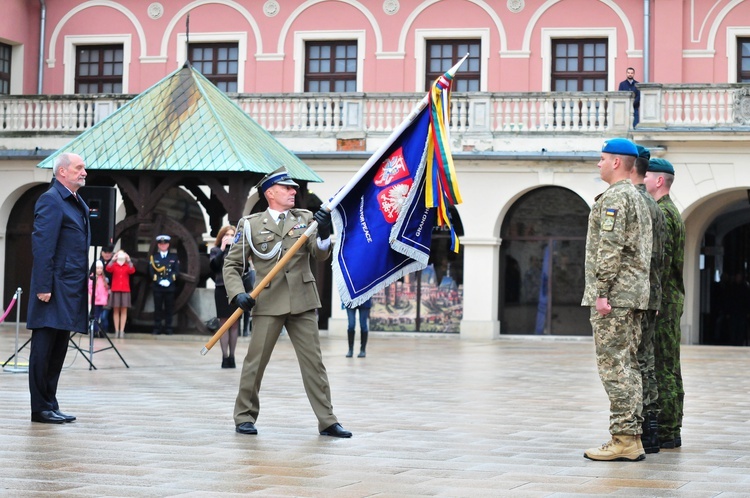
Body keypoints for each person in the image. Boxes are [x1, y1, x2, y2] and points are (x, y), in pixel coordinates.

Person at [223, 166, 351, 438]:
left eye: (294, 188)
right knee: (255, 363)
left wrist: (326, 234)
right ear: (270, 193)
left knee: (314, 364)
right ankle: (244, 416)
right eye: (287, 188)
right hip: (267, 300)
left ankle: (327, 420)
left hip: (302, 300)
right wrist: (237, 294)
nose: (294, 191)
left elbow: (318, 254)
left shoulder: (305, 219)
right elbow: (232, 265)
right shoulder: (250, 224)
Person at [581, 138, 652, 461]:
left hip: (617, 296)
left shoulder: (615, 199)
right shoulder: (638, 197)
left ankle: (623, 437)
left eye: (602, 159)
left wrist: (602, 292)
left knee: (614, 367)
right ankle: (631, 436)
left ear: (616, 163)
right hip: (633, 294)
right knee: (629, 366)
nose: (598, 164)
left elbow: (609, 249)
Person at [27, 152, 90, 424]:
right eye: (78, 168)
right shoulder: (51, 200)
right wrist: (43, 285)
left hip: (70, 288)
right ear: (62, 172)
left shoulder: (77, 202)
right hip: (52, 288)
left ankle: (50, 403)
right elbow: (43, 247)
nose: (84, 172)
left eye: (83, 168)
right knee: (43, 349)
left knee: (59, 348)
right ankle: (40, 407)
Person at [644, 157, 686, 449]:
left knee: (663, 366)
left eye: (646, 176)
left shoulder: (664, 212)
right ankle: (672, 427)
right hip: (670, 299)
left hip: (664, 301)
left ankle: (668, 429)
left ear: (660, 181)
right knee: (670, 364)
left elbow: (662, 261)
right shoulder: (671, 210)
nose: (642, 179)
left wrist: (654, 298)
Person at [631, 145, 667, 454]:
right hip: (650, 294)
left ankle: (639, 429)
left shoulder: (637, 203)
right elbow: (663, 258)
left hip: (635, 295)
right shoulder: (655, 206)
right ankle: (651, 428)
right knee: (646, 363)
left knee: (633, 363)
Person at [209, 225, 240, 368]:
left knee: (234, 324)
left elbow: (243, 267)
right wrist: (222, 248)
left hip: (235, 289)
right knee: (223, 324)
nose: (229, 237)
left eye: (232, 234)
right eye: (226, 234)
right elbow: (214, 266)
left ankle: (232, 356)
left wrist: (234, 247)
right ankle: (224, 357)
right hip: (221, 288)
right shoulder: (215, 250)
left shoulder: (238, 250)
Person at [149, 234, 180, 335]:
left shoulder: (173, 257)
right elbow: (151, 272)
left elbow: (176, 271)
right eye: (161, 244)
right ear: (158, 245)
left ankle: (168, 328)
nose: (163, 245)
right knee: (157, 309)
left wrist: (169, 281)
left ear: (168, 245)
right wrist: (159, 281)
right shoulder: (154, 257)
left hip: (169, 287)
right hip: (158, 287)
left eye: (165, 243)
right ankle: (157, 328)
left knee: (169, 308)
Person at [106, 249, 136, 338]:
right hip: (115, 289)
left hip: (125, 290)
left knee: (123, 311)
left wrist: (129, 259)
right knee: (116, 311)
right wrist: (113, 259)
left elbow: (132, 270)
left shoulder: (127, 266)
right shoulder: (114, 265)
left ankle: (122, 330)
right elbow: (108, 268)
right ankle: (116, 330)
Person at [90, 245, 114, 333]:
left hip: (108, 292)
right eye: (105, 253)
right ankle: (95, 330)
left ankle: (106, 330)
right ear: (101, 253)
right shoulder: (97, 262)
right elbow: (90, 276)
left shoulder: (113, 262)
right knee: (95, 314)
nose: (107, 255)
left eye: (109, 253)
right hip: (97, 294)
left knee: (105, 315)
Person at [88, 261, 110, 336]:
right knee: (95, 316)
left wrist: (106, 297)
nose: (99, 270)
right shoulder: (92, 277)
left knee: (103, 317)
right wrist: (95, 294)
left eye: (101, 268)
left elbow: (106, 289)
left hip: (103, 301)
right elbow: (90, 287)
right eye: (98, 268)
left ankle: (103, 331)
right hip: (96, 301)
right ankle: (95, 330)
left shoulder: (103, 278)